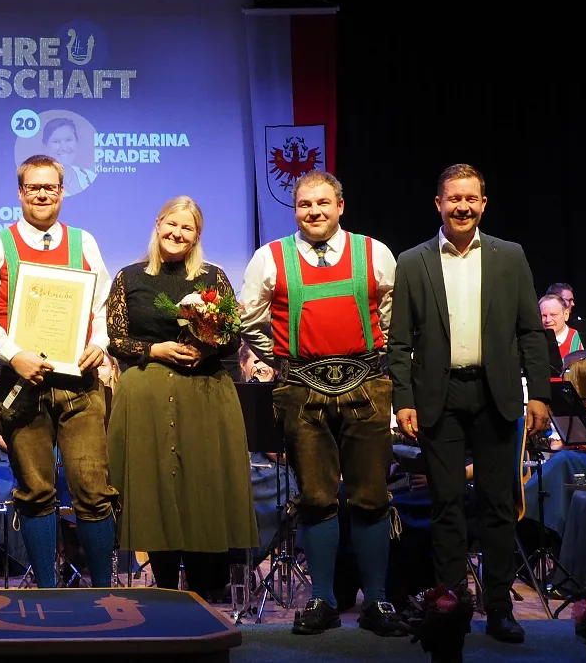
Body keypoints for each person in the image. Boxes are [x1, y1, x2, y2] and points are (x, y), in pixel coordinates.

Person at [389, 163, 551, 644]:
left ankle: (499, 608)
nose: (462, 207)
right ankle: (450, 609)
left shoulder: (510, 255)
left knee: (498, 504)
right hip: (437, 397)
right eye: (453, 198)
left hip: (496, 394)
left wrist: (539, 394)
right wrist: (403, 400)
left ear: (483, 203)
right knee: (446, 505)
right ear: (438, 203)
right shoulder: (412, 261)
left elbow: (531, 331)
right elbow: (399, 342)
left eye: (470, 198)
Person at [239, 169, 405, 636]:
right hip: (300, 392)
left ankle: (377, 601)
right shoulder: (269, 258)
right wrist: (286, 359)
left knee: (371, 496)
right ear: (295, 210)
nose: (313, 211)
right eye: (304, 204)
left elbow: (392, 316)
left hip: (367, 389)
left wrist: (372, 355)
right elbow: (250, 321)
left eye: (322, 203)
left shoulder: (374, 252)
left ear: (340, 206)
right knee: (315, 498)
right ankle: (323, 600)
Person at [0, 154, 118, 588]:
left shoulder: (83, 242)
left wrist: (99, 344)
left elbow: (104, 306)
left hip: (79, 386)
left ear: (62, 192)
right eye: (33, 187)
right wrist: (15, 355)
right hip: (20, 384)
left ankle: (104, 593)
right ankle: (48, 594)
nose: (42, 194)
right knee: (34, 492)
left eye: (50, 186)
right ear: (20, 192)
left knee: (93, 490)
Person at [105, 196, 257, 593]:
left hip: (203, 392)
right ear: (158, 225)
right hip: (147, 393)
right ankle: (166, 591)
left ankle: (204, 591)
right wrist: (154, 349)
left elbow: (233, 336)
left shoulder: (213, 277)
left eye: (187, 227)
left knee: (202, 488)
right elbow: (116, 339)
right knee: (155, 488)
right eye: (171, 224)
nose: (177, 233)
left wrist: (206, 347)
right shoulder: (128, 277)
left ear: (197, 234)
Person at [43, 118, 96, 196]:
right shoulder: (35, 182)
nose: (64, 148)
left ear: (76, 142)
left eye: (68, 140)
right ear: (45, 146)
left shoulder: (90, 177)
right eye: (56, 141)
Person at [539, 293, 583, 361]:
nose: (548, 320)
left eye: (553, 315)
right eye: (544, 316)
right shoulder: (534, 340)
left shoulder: (579, 339)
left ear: (566, 314)